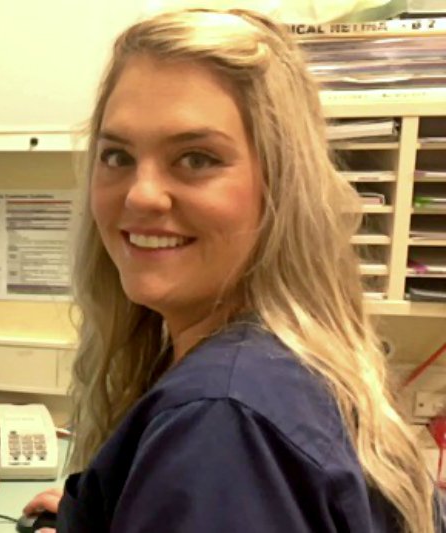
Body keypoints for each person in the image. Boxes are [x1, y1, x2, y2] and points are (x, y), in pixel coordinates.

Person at [23, 8, 443, 533]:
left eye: (196, 158)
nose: (140, 194)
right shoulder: (290, 365)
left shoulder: (221, 420)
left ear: (280, 186)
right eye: (117, 155)